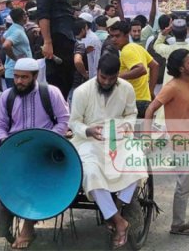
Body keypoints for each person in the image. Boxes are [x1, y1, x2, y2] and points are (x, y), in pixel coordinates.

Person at [0, 58, 69, 248]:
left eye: (24, 77)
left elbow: (63, 121)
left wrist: (48, 139)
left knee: (36, 174)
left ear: (35, 76)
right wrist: (4, 141)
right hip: (12, 148)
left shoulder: (50, 93)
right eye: (16, 77)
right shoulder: (7, 96)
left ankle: (28, 227)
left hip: (43, 150)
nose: (19, 81)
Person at [69, 53, 147, 249]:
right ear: (97, 73)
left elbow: (131, 114)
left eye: (111, 79)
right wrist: (88, 130)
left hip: (118, 137)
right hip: (89, 140)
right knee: (91, 172)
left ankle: (117, 208)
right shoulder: (82, 91)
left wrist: (127, 127)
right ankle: (120, 222)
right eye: (103, 78)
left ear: (117, 76)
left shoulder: (126, 88)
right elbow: (74, 122)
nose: (106, 82)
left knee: (137, 161)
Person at [144, 49, 189, 236]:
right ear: (181, 68)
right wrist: (147, 137)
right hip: (182, 143)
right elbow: (150, 109)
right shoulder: (171, 87)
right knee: (184, 185)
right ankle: (177, 224)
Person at [36, 0, 76, 99]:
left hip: (66, 39)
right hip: (56, 40)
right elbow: (43, 14)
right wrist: (47, 41)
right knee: (57, 86)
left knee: (66, 82)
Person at [108, 21, 158, 118]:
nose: (113, 40)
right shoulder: (137, 47)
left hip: (134, 102)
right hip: (144, 101)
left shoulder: (127, 51)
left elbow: (141, 69)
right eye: (111, 36)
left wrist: (115, 77)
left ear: (127, 35)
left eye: (117, 36)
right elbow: (155, 66)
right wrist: (150, 91)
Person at [2, 8, 31, 88]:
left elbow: (3, 39)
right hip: (16, 73)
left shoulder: (13, 28)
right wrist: (15, 58)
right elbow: (6, 45)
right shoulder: (18, 32)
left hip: (14, 72)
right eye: (26, 14)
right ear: (24, 17)